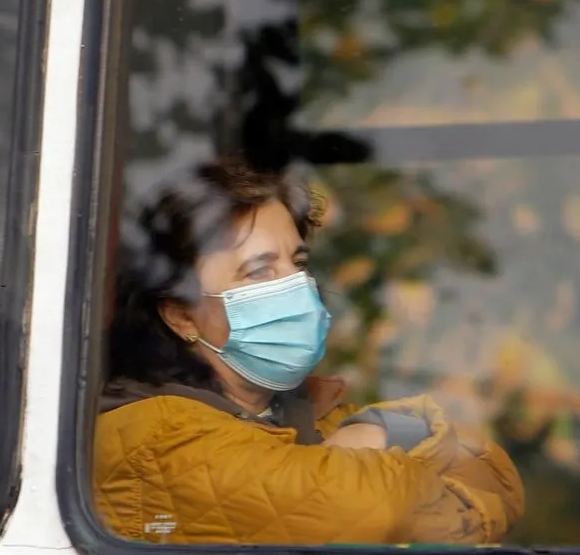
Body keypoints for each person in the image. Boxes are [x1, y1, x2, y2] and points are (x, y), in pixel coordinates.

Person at [94, 156, 524, 545]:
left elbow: (496, 475)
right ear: (181, 316)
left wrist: (387, 428)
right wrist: (386, 441)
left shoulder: (309, 409)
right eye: (260, 270)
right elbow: (376, 509)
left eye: (297, 263)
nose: (296, 285)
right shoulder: (151, 438)